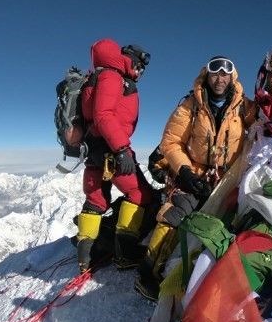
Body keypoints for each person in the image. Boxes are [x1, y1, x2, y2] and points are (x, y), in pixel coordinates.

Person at [135, 55, 259, 298]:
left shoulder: (243, 106)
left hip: (228, 177)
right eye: (215, 72)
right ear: (207, 75)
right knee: (177, 212)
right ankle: (148, 272)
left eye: (225, 73)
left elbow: (264, 123)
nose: (220, 78)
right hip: (195, 172)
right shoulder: (190, 106)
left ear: (232, 77)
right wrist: (184, 172)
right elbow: (171, 142)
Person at [75, 38, 157, 272]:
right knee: (139, 194)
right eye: (140, 66)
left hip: (93, 150)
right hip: (112, 150)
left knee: (96, 200)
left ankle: (84, 259)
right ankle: (126, 254)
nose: (141, 72)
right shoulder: (112, 76)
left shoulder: (99, 75)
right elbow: (103, 115)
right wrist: (121, 150)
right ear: (132, 61)